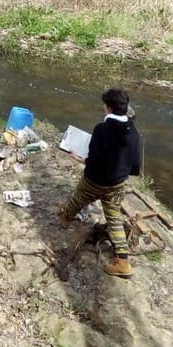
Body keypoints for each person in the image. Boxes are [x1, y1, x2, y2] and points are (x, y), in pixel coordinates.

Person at [58, 88, 142, 278]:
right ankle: (123, 262)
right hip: (118, 183)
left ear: (109, 108)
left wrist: (81, 159)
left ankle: (65, 218)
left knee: (79, 198)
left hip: (95, 180)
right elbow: (136, 163)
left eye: (104, 106)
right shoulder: (133, 130)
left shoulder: (101, 129)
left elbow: (94, 159)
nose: (103, 109)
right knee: (114, 219)